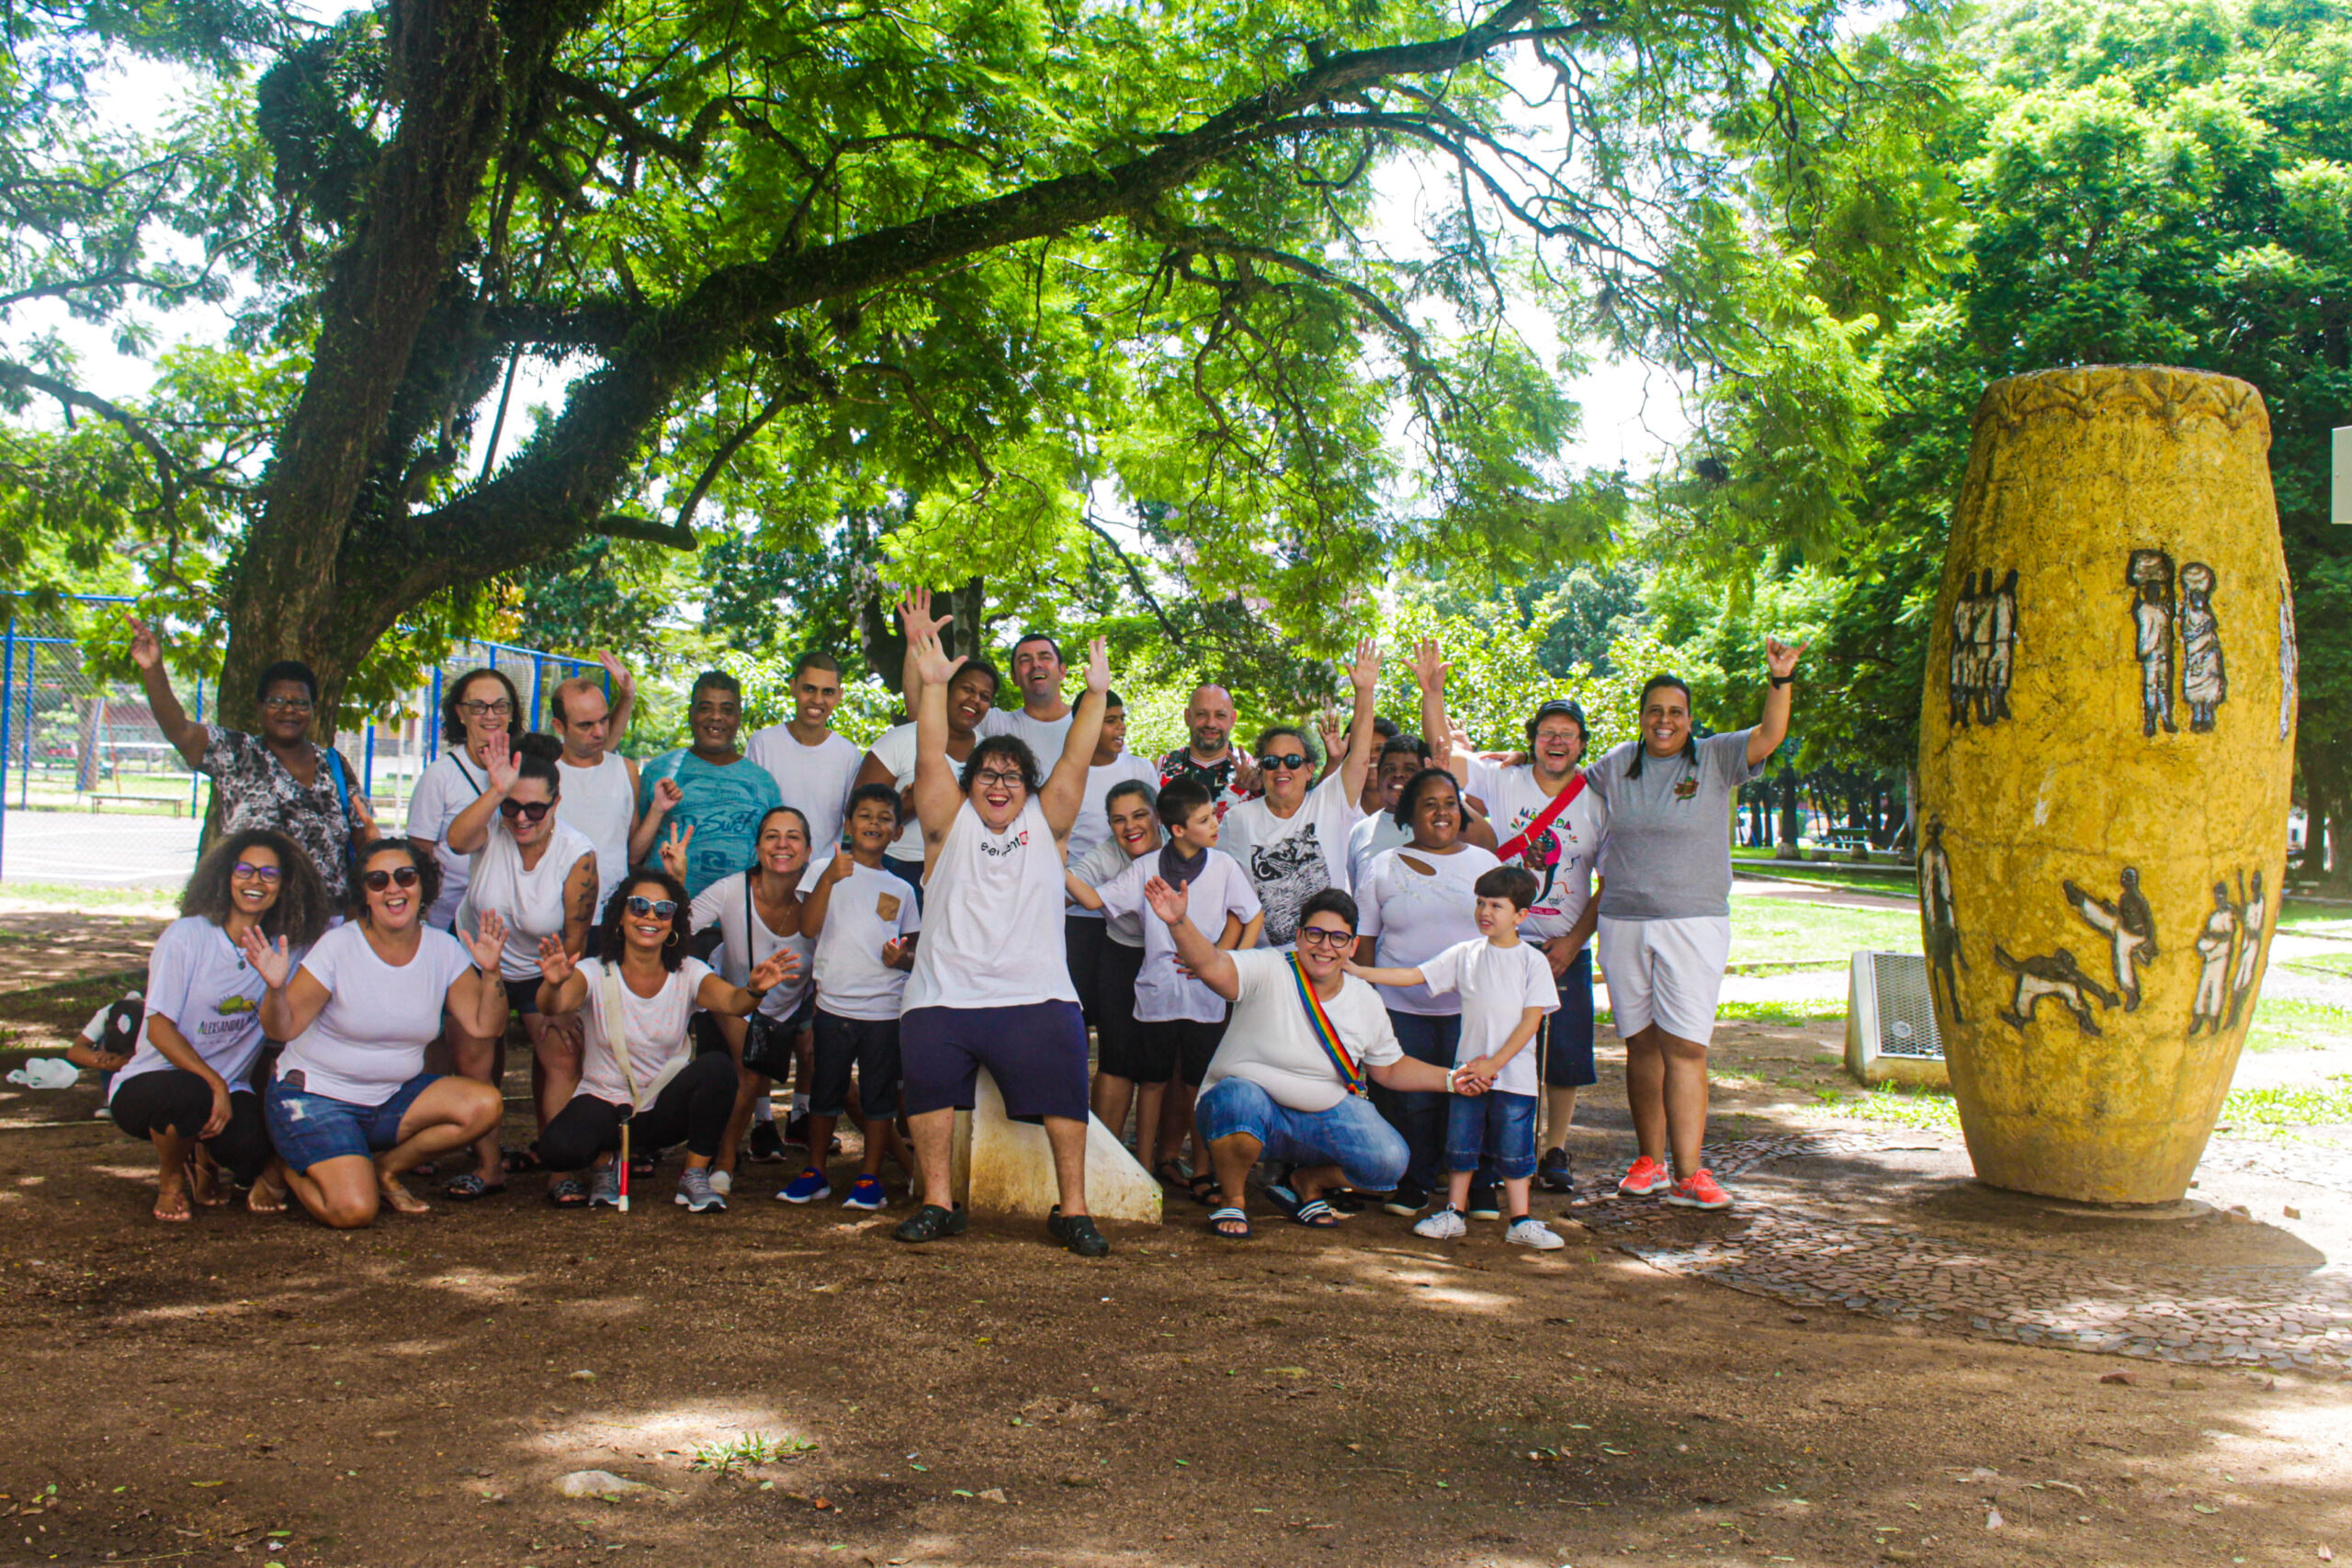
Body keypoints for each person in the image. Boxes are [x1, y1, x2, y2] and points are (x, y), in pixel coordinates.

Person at [889, 626, 1114, 1257]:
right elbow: (931, 755)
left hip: (1034, 992)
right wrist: (933, 684)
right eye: (987, 773)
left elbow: (1075, 755)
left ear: (1029, 786)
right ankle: (938, 1201)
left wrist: (1094, 696)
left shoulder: (1049, 822)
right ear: (970, 782)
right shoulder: (946, 822)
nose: (999, 784)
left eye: (1013, 776)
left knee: (1068, 1072)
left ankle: (1072, 1209)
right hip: (944, 992)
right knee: (927, 1068)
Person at [1586, 647, 1803, 1211]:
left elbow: (1770, 733)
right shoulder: (1615, 764)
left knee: (1685, 1045)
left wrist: (1780, 676)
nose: (1664, 721)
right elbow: (1560, 783)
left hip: (1694, 923)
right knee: (1640, 1044)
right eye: (1654, 710)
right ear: (1641, 716)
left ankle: (1689, 1173)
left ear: (1689, 718)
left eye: (1675, 712)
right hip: (1624, 922)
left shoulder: (1717, 757)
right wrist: (1506, 758)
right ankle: (1648, 1162)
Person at [1148, 884, 1487, 1239]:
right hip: (1246, 1105)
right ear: (1298, 937)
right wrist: (1178, 921)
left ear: (1353, 946)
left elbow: (1390, 1068)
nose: (1326, 946)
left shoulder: (1365, 999)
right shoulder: (1269, 967)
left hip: (1321, 1117)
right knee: (1237, 1097)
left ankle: (1306, 1181)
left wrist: (1452, 1079)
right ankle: (1233, 1198)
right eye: (1316, 934)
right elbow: (1212, 965)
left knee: (1389, 1161)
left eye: (1339, 938)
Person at [1416, 649, 1610, 1195]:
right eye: (1547, 732)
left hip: (1562, 945)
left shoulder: (1599, 798)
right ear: (1533, 740)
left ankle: (1555, 1149)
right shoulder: (1504, 782)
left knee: (1564, 1056)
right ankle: (1501, 1150)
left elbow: (1607, 879)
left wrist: (1575, 941)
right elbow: (1442, 755)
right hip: (1503, 942)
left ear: (1581, 744)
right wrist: (1433, 692)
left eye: (1568, 734)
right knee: (1496, 1043)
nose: (1557, 741)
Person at [243, 839, 510, 1228]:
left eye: (405, 876)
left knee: (485, 1104)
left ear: (422, 887)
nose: (394, 889)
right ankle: (283, 1168)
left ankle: (383, 1170)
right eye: (377, 881)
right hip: (317, 1096)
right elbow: (282, 1028)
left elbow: (487, 1026)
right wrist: (275, 988)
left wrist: (491, 973)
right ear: (365, 894)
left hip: (390, 1098)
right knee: (353, 1211)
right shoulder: (338, 945)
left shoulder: (443, 948)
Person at [532, 872, 797, 1214]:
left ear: (674, 924)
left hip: (662, 1107)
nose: (650, 916)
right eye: (639, 906)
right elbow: (554, 1005)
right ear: (619, 918)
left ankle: (694, 1174)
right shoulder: (594, 971)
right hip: (604, 1102)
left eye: (663, 909)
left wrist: (755, 990)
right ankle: (604, 1166)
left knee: (717, 1068)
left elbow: (734, 1003)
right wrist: (553, 984)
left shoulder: (689, 971)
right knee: (556, 1150)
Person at [107, 831, 333, 1220]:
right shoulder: (187, 937)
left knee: (253, 1153)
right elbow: (159, 1029)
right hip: (154, 1082)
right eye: (244, 869)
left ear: (286, 885)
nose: (255, 881)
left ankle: (204, 1155)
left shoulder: (289, 948)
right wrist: (215, 1083)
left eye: (269, 874)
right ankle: (171, 1179)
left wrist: (277, 987)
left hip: (231, 1089)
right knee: (190, 1094)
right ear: (226, 876)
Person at [1065, 776, 1262, 1197]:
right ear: (1178, 828)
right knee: (1151, 1080)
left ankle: (1202, 1170)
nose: (1215, 825)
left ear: (1158, 820)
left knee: (1198, 1083)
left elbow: (1250, 915)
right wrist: (1049, 860)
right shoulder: (1144, 869)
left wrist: (1228, 965)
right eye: (1206, 819)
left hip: (1207, 995)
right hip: (1154, 995)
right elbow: (1092, 900)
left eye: (1139, 815)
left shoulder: (1223, 865)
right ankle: (1141, 1168)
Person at [1348, 866, 1563, 1248]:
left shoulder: (1533, 962)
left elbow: (1532, 1019)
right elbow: (1415, 975)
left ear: (1520, 915)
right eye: (1481, 902)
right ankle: (1454, 1212)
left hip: (1513, 1078)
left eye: (1497, 905)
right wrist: (1359, 970)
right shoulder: (1466, 955)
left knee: (1514, 1149)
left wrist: (1495, 1064)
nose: (1485, 911)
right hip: (1467, 1076)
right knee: (1461, 1144)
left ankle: (1521, 1219)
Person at [442, 731, 599, 1199]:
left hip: (542, 966)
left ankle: (559, 1167)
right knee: (473, 1053)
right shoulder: (492, 826)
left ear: (557, 803)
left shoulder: (577, 854)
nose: (522, 818)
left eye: (536, 808)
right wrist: (495, 792)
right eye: (513, 806)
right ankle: (489, 1166)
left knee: (561, 1053)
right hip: (477, 958)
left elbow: (575, 937)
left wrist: (562, 999)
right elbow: (454, 841)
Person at [129, 620, 375, 908]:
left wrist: (359, 908)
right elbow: (180, 730)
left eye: (300, 703)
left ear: (313, 710)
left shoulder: (334, 765)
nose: (288, 710)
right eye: (277, 701)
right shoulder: (236, 752)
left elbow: (364, 837)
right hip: (254, 920)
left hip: (326, 925)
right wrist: (153, 669)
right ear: (259, 707)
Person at [1354, 768, 1502, 1216]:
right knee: (1410, 1102)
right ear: (1409, 815)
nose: (1442, 812)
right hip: (1401, 1008)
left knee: (1473, 1095)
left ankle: (1478, 1185)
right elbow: (1364, 942)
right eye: (1429, 804)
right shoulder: (1381, 867)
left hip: (1471, 1010)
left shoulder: (1485, 865)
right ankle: (1413, 1183)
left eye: (1450, 802)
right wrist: (1368, 1003)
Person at [790, 784, 924, 1209]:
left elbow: (912, 952)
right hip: (833, 1006)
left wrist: (900, 958)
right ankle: (815, 1171)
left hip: (885, 1010)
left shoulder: (901, 889)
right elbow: (807, 928)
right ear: (848, 824)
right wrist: (829, 877)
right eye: (865, 815)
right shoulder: (823, 870)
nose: (874, 824)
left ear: (898, 833)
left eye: (885, 818)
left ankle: (870, 1179)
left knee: (879, 1095)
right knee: (825, 1091)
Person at [681, 807, 820, 1187]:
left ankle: (899, 1164)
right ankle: (723, 1161)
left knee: (825, 1066)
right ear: (758, 848)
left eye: (793, 836)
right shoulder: (731, 890)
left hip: (797, 1000)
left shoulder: (820, 896)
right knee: (748, 1071)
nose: (782, 844)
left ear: (808, 851)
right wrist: (677, 879)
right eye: (772, 836)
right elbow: (678, 925)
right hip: (737, 996)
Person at [1219, 640, 1383, 946]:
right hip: (1266, 964)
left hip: (1328, 955)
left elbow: (1359, 756)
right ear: (1261, 770)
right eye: (1271, 761)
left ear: (1310, 770)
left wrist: (1364, 692)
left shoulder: (1330, 802)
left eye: (1293, 761)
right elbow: (1222, 893)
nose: (1282, 769)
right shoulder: (1237, 820)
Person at [854, 592, 1002, 897]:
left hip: (962, 874)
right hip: (893, 868)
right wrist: (908, 806)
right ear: (946, 687)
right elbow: (856, 814)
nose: (975, 700)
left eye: (984, 696)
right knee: (894, 946)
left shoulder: (992, 757)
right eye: (967, 689)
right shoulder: (900, 740)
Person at [1064, 778, 1163, 1168]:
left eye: (1139, 815)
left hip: (1175, 958)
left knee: (1163, 1066)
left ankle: (1158, 1161)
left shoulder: (1181, 843)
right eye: (1118, 820)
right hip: (1121, 953)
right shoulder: (1106, 855)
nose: (1130, 827)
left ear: (1158, 815)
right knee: (1116, 1057)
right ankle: (1100, 1160)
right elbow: (1070, 888)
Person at [631, 671, 784, 899]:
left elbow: (775, 856)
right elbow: (633, 855)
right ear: (691, 714)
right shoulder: (659, 771)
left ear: (738, 717)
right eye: (705, 708)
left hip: (738, 920)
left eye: (726, 710)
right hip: (666, 915)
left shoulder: (764, 782)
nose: (716, 717)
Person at [1063, 691, 1165, 1031]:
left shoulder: (1140, 768)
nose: (1120, 727)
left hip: (1142, 909)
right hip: (1079, 909)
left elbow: (1156, 832)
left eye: (1121, 718)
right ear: (1085, 724)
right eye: (1110, 720)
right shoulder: (1066, 774)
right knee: (1083, 1009)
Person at [408, 667, 526, 930]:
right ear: (460, 714)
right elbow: (418, 854)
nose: (491, 715)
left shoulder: (525, 768)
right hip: (448, 921)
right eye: (478, 707)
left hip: (511, 923)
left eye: (500, 706)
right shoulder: (440, 775)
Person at [745, 651, 865, 857]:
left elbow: (855, 820)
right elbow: (748, 814)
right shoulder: (762, 743)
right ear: (793, 687)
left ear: (839, 695)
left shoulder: (848, 755)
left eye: (827, 692)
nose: (817, 700)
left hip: (823, 877)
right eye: (809, 689)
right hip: (769, 872)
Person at [548, 659, 642, 919]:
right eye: (585, 725)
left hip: (613, 915)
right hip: (553, 915)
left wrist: (628, 694)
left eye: (603, 720)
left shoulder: (625, 770)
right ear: (559, 726)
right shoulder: (544, 775)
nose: (599, 732)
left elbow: (633, 850)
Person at [1159, 683, 1260, 818]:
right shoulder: (1160, 769)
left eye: (1220, 715)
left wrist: (1261, 788)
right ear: (1188, 716)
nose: (1210, 723)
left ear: (1232, 719)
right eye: (1201, 714)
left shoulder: (1254, 771)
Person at [1346, 736, 1431, 892]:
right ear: (1378, 777)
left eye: (1409, 769)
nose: (1398, 775)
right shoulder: (1360, 832)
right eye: (1389, 769)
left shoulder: (1441, 826)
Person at [979, 633, 1075, 758]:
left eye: (1045, 657)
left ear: (1062, 671)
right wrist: (944, 683)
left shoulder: (1088, 722)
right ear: (1014, 678)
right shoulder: (994, 723)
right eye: (1025, 660)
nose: (1036, 664)